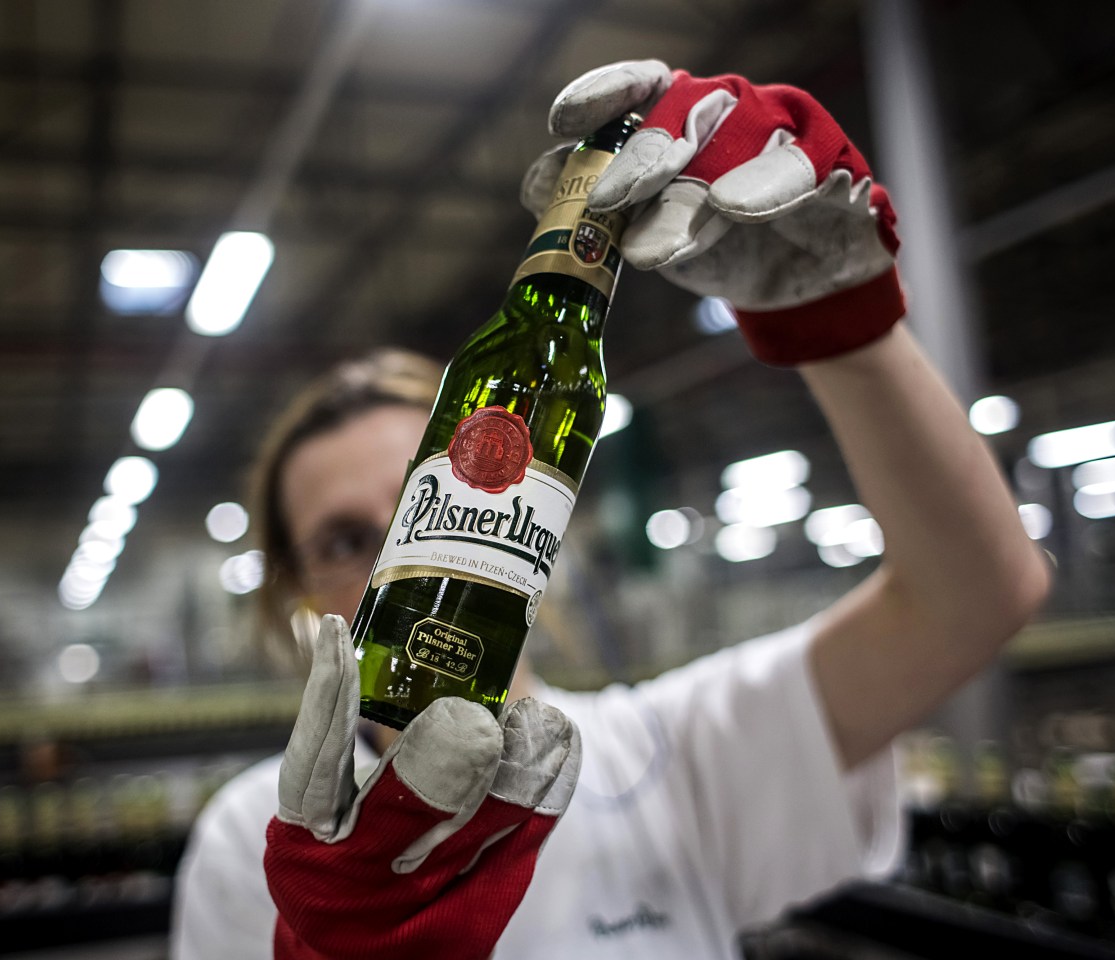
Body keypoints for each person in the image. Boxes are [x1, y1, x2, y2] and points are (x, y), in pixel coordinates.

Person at [171, 61, 1052, 959]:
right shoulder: (257, 848)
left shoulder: (660, 759)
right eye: (347, 539)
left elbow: (977, 598)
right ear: (293, 588)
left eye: (425, 492)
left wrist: (843, 329)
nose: (407, 552)